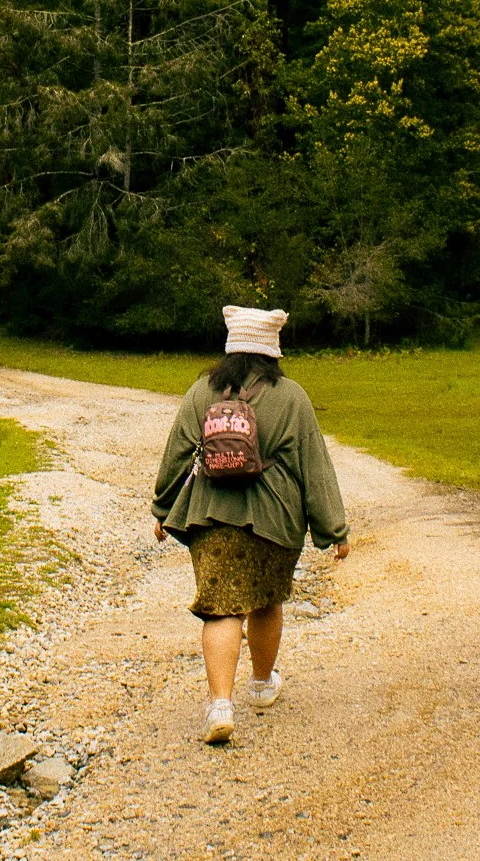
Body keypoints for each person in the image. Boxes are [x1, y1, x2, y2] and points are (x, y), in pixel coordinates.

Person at [151, 305, 350, 744]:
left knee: (219, 606)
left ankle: (220, 704)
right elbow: (314, 465)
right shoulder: (292, 397)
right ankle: (261, 685)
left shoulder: (203, 392)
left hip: (210, 515)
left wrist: (163, 509)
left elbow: (178, 452)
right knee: (265, 599)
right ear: (273, 352)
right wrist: (333, 529)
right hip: (275, 519)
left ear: (230, 349)